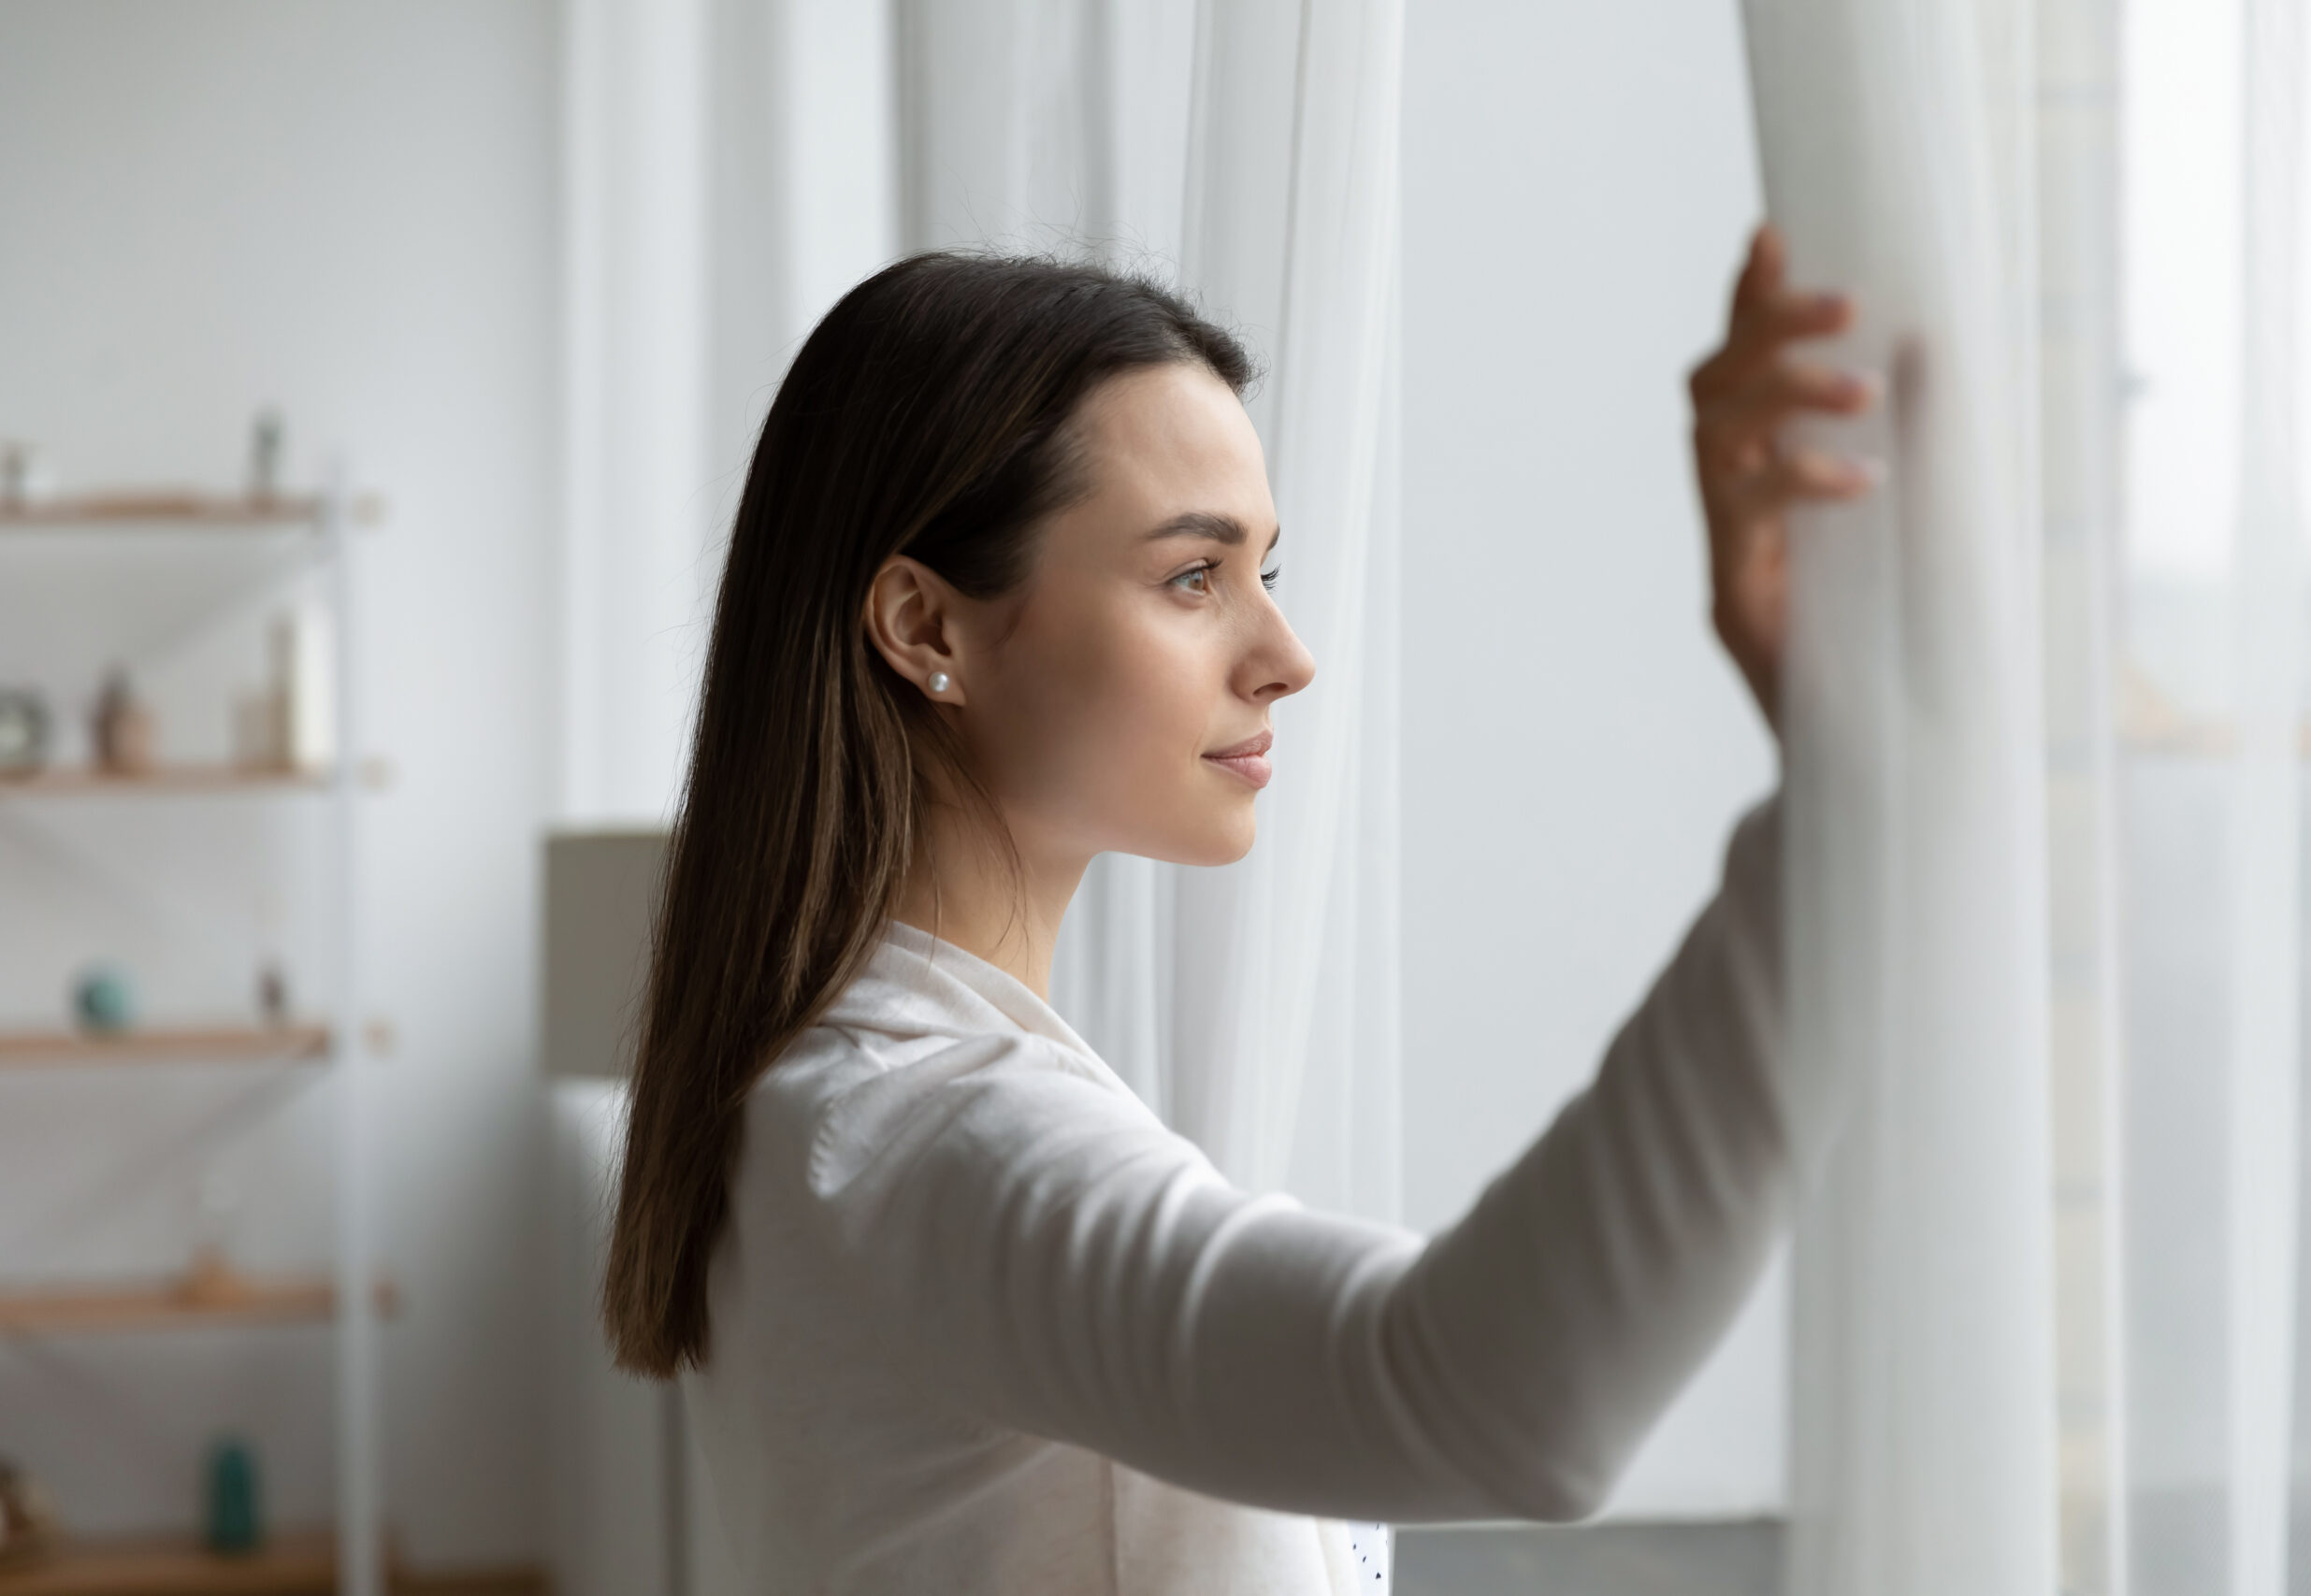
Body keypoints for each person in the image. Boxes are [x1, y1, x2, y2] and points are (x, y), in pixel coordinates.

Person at [604, 225, 1877, 1594]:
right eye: (1192, 577)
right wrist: (1852, 805)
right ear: (925, 630)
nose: (1286, 656)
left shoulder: (835, 1098)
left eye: (1267, 570)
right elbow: (1500, 1402)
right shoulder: (933, 1140)